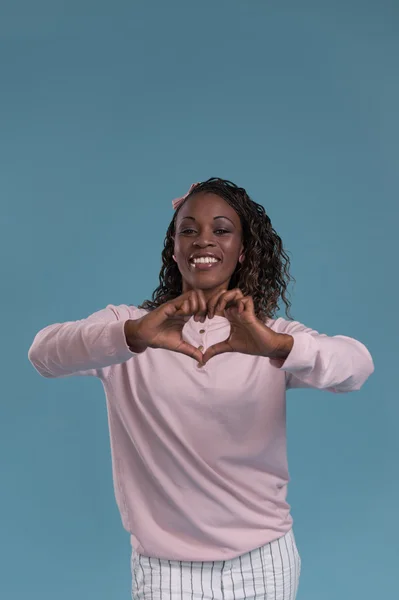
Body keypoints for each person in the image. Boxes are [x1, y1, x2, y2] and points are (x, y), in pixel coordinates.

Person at [28, 177, 374, 600]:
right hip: (165, 572)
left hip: (264, 563)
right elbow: (44, 353)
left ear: (242, 249)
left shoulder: (269, 336)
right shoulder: (130, 328)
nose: (203, 240)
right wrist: (133, 335)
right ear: (173, 249)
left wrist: (276, 346)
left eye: (221, 230)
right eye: (188, 230)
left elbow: (357, 367)